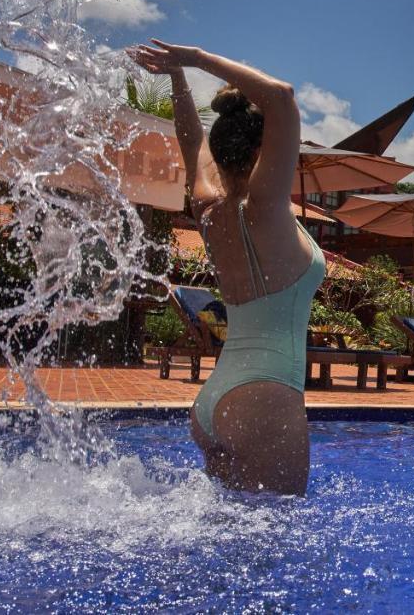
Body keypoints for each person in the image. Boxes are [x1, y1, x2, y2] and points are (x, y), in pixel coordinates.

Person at [128, 39, 323, 495]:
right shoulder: (266, 208)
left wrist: (177, 76)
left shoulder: (207, 207)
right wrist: (194, 59)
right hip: (264, 397)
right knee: (273, 545)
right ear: (263, 153)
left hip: (215, 401)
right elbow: (282, 97)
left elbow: (189, 136)